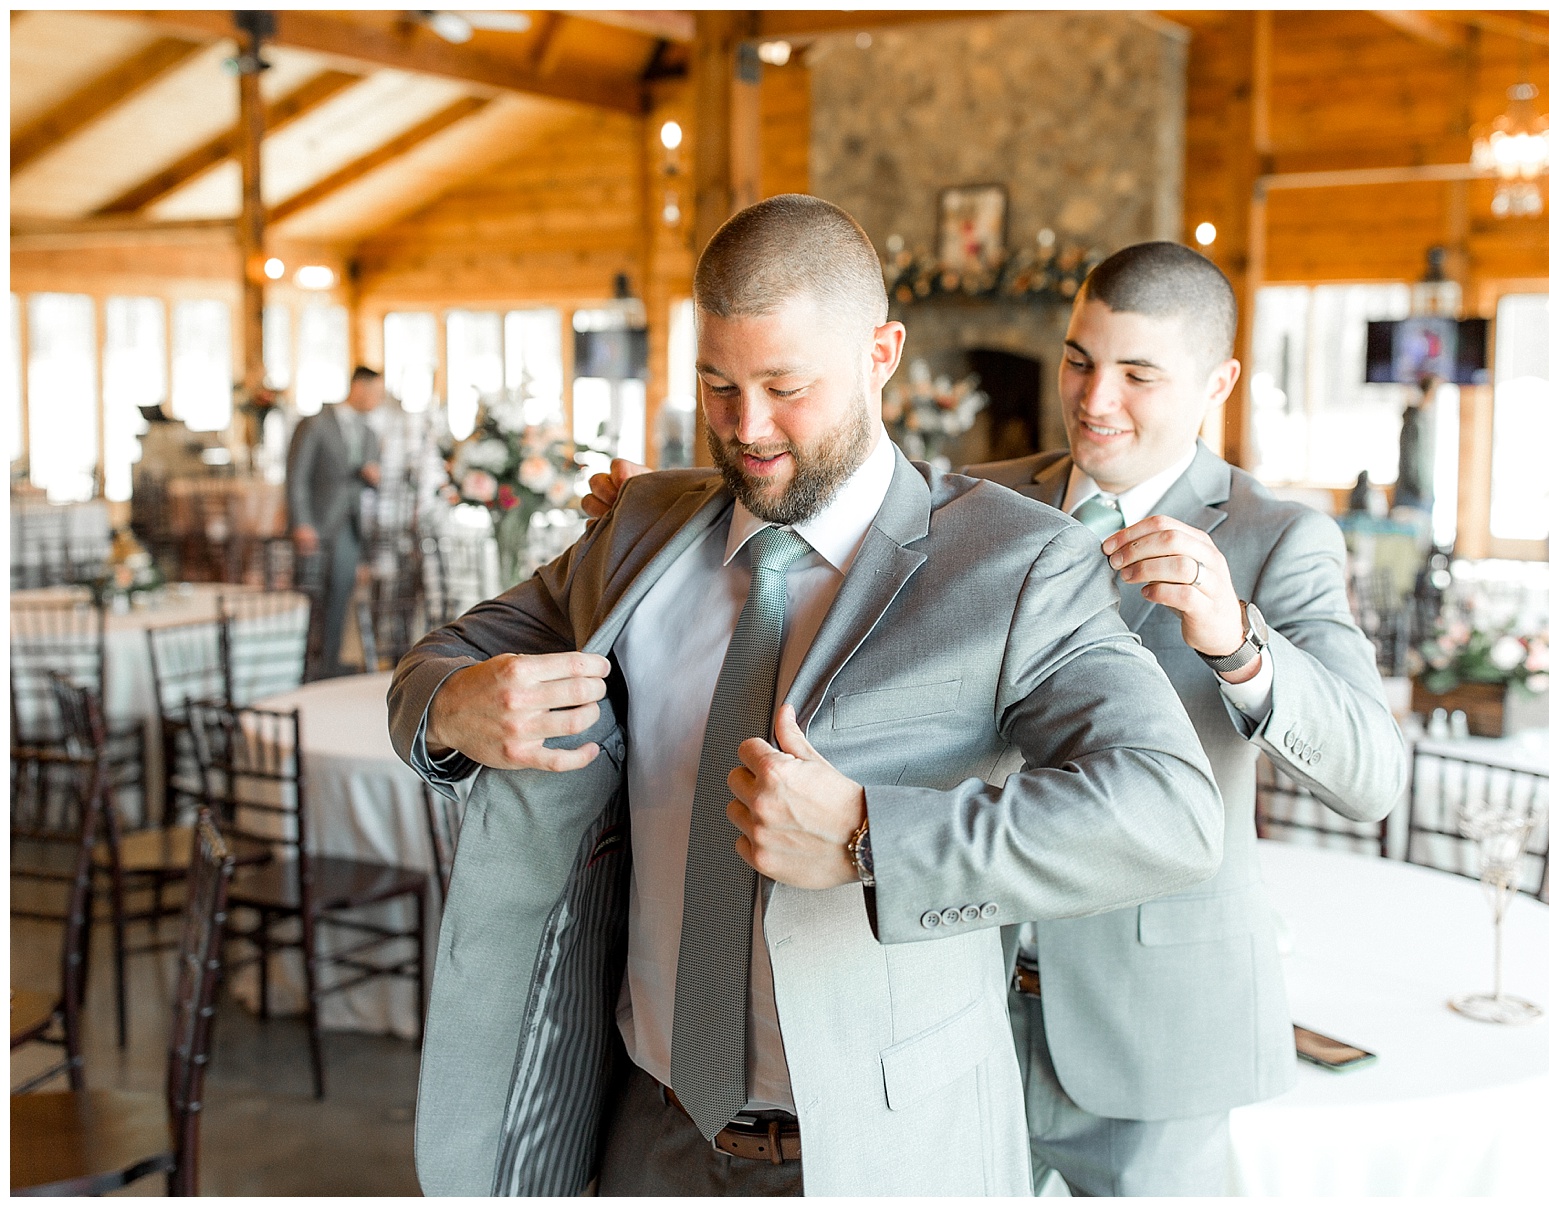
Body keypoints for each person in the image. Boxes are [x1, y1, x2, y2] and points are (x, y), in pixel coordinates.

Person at [391, 196, 1225, 1197]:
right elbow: (437, 667)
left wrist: (873, 837)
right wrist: (456, 707)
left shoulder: (1015, 563)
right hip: (642, 1131)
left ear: (882, 352)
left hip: (878, 1155)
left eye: (787, 387)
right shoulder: (643, 527)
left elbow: (1169, 808)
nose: (748, 430)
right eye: (718, 385)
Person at [584, 241, 1409, 1195]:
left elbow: (1370, 773)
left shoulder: (1279, 535)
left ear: (1219, 380)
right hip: (953, 1010)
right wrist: (670, 517)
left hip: (1151, 1029)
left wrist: (1239, 644)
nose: (1095, 400)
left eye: (1138, 374)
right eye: (1078, 360)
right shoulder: (981, 503)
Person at [286, 366, 383, 675]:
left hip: (350, 525)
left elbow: (366, 477)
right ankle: (299, 666)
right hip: (316, 524)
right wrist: (301, 522)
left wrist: (371, 477)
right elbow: (296, 476)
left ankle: (328, 666)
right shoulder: (315, 424)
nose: (378, 401)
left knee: (341, 593)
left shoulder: (370, 434)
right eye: (377, 393)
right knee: (308, 599)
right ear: (359, 387)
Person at [1394, 373, 1436, 514]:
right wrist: (1420, 488)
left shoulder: (1419, 419)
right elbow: (1412, 456)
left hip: (1418, 491)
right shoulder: (1415, 422)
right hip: (1414, 493)